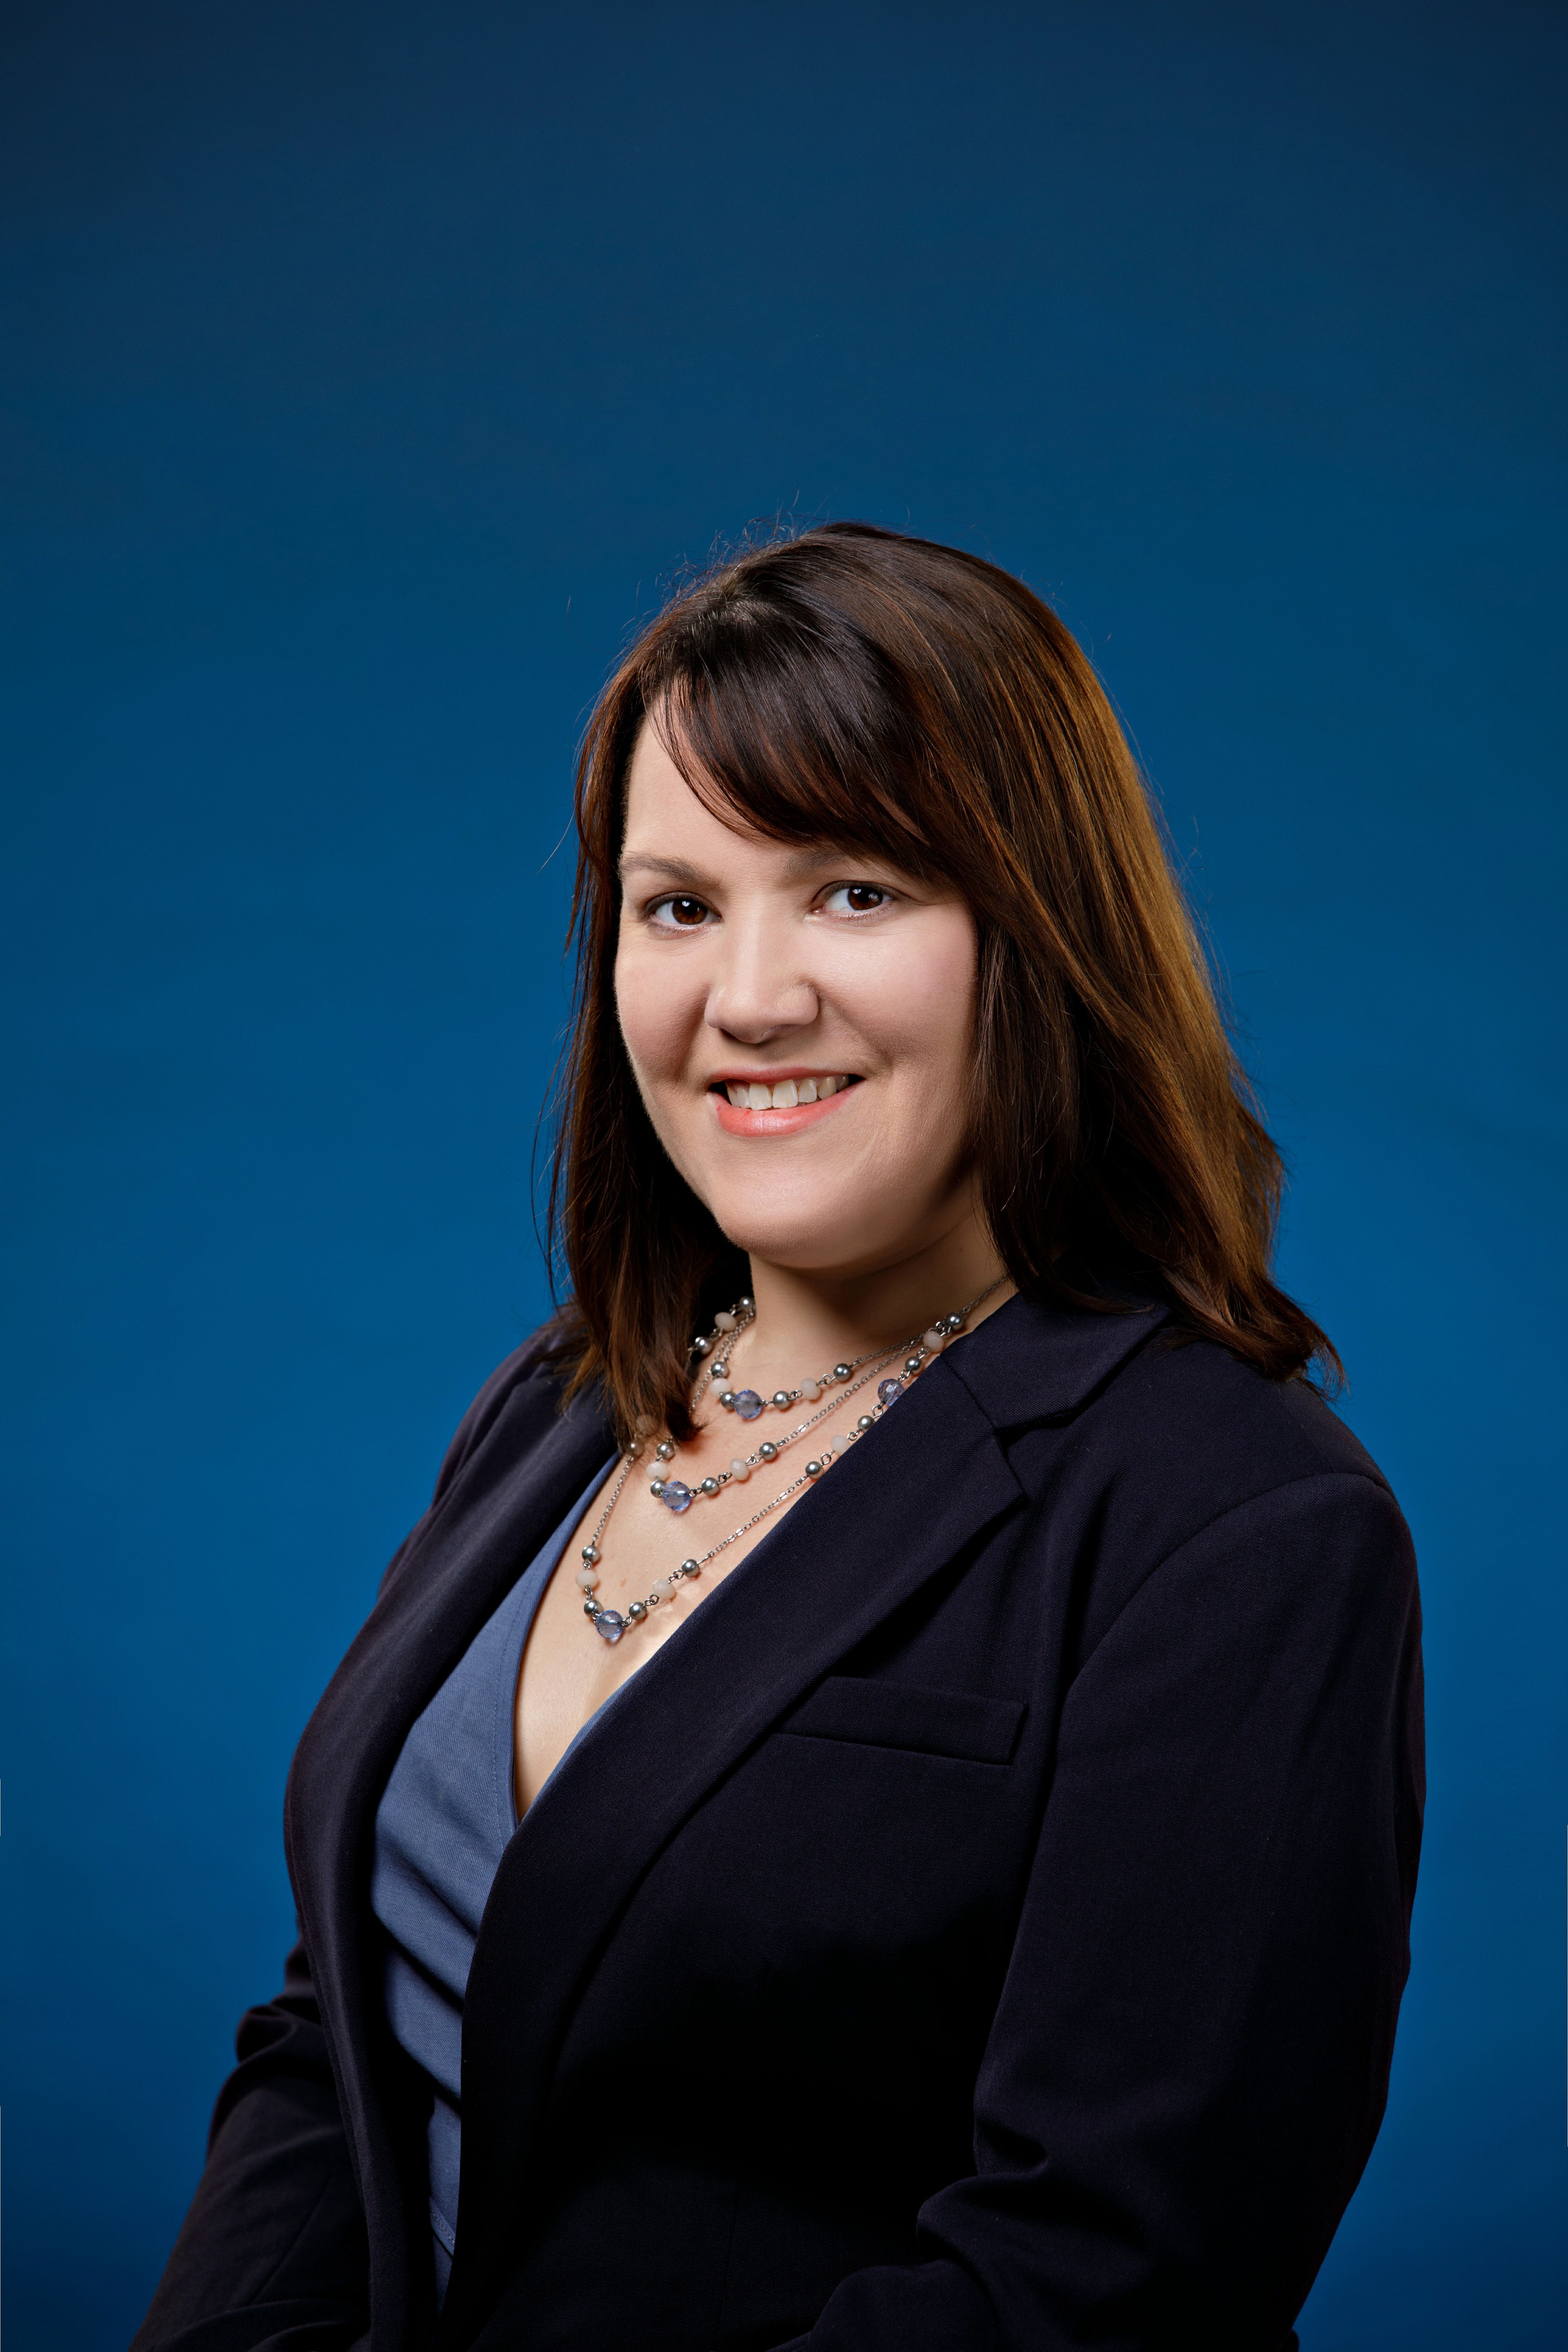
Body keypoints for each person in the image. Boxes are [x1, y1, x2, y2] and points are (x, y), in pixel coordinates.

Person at [132, 524, 1423, 2352]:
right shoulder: (561, 1406)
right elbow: (349, 2033)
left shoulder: (1239, 1524)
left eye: (855, 890)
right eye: (680, 904)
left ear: (1037, 933)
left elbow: (1106, 2280)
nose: (747, 998)